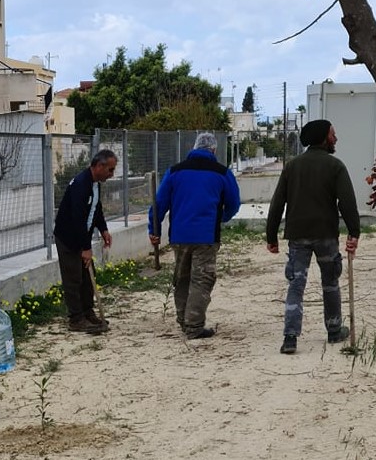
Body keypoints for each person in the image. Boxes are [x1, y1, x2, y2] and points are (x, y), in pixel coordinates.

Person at [265, 119, 361, 354]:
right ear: (323, 137)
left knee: (296, 285)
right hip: (326, 234)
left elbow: (277, 202)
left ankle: (290, 337)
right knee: (331, 282)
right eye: (333, 134)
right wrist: (354, 231)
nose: (335, 138)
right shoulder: (335, 166)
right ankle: (334, 329)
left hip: (298, 235)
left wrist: (271, 236)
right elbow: (347, 202)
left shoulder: (292, 166)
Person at [147, 131, 242, 339]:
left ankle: (183, 319)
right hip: (206, 236)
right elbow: (234, 203)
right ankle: (194, 325)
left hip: (179, 236)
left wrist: (154, 230)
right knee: (202, 280)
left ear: (194, 148)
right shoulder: (222, 173)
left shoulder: (174, 172)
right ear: (214, 150)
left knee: (182, 278)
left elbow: (158, 204)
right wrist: (222, 218)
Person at [53, 148, 117, 334]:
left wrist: (103, 228)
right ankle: (76, 319)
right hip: (69, 238)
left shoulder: (95, 183)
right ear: (98, 166)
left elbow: (96, 209)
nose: (111, 174)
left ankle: (88, 312)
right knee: (73, 278)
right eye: (110, 170)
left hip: (82, 235)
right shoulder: (81, 185)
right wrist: (85, 248)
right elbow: (78, 219)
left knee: (88, 276)